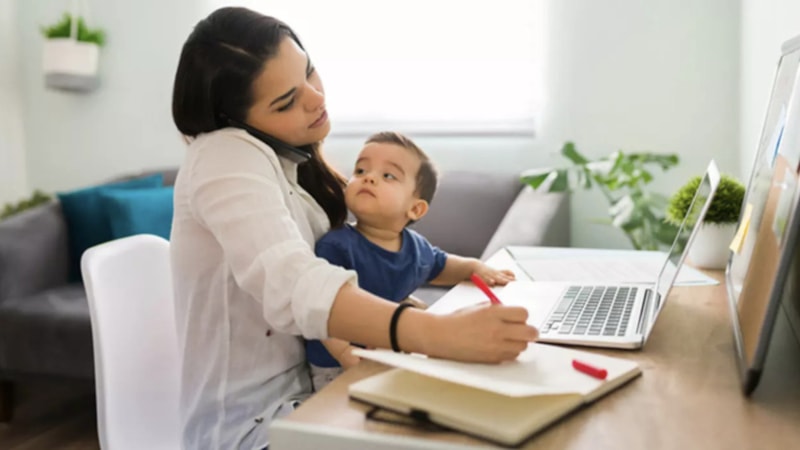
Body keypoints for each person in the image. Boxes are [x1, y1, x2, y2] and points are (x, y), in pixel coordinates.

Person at [170, 7, 539, 449]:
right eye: (287, 101)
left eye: (309, 71)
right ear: (237, 121)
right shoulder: (223, 155)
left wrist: (399, 310)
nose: (316, 99)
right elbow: (293, 283)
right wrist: (435, 334)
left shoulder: (291, 163)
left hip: (320, 393)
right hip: (252, 429)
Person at [306, 131, 516, 391]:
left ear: (415, 209)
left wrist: (474, 267)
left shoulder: (415, 247)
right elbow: (323, 308)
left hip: (391, 349)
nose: (368, 177)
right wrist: (343, 351)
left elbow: (442, 266)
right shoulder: (336, 245)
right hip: (336, 363)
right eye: (360, 170)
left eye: (388, 176)